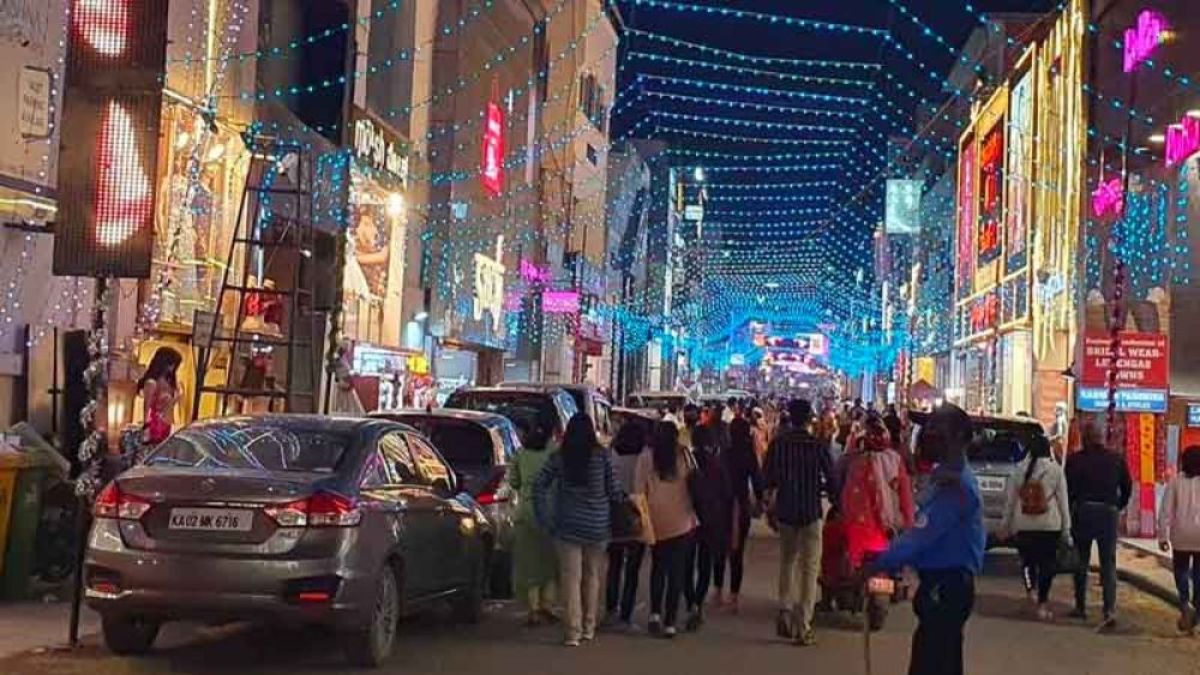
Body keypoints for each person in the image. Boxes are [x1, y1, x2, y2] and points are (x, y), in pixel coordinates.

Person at [873, 403, 985, 675]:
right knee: (941, 659)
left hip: (947, 586)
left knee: (932, 661)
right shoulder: (944, 478)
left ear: (957, 437)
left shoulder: (955, 487)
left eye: (937, 428)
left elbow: (921, 536)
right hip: (943, 584)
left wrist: (880, 562)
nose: (928, 434)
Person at [533, 414, 619, 647]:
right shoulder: (602, 457)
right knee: (592, 576)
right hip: (598, 525)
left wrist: (545, 517)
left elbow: (539, 485)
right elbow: (613, 489)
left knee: (571, 579)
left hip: (567, 525)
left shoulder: (560, 457)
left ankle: (573, 631)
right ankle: (589, 627)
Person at [763, 399, 836, 646]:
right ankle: (803, 625)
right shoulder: (817, 446)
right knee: (809, 568)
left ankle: (784, 609)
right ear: (809, 420)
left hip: (785, 511)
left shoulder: (778, 445)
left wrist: (769, 502)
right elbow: (832, 478)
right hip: (810, 512)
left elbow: (767, 478)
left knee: (787, 561)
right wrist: (837, 502)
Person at [1066, 413, 1132, 628]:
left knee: (1081, 561)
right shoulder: (1116, 459)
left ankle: (1080, 606)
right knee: (1108, 564)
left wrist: (1073, 510)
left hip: (1083, 511)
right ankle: (1109, 609)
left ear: (1085, 438)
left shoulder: (1075, 460)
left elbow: (1069, 490)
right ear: (1102, 438)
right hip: (1108, 512)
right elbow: (1127, 487)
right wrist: (1117, 506)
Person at [635, 422, 698, 639]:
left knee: (658, 568)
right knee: (676, 572)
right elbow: (696, 483)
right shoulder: (684, 456)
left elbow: (638, 491)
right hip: (681, 520)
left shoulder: (646, 457)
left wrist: (644, 522)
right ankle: (670, 621)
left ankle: (654, 614)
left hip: (656, 520)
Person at [1000, 435, 1071, 621]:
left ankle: (1031, 590)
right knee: (1046, 566)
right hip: (1049, 526)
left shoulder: (1019, 471)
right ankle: (1042, 604)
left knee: (1027, 561)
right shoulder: (1055, 471)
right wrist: (1066, 530)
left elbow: (1010, 502)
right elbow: (1063, 503)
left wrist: (1005, 526)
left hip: (1023, 525)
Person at [838, 413, 915, 571]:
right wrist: (909, 525)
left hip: (860, 533)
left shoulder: (852, 460)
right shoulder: (895, 459)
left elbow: (841, 490)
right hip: (889, 533)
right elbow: (906, 497)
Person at [509, 416, 560, 626]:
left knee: (529, 563)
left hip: (526, 511)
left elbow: (514, 482)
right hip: (550, 511)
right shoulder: (554, 453)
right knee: (549, 561)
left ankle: (533, 609)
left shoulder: (520, 454)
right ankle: (548, 605)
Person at [683, 425, 732, 630]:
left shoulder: (686, 462)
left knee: (686, 564)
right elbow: (727, 494)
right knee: (704, 565)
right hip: (711, 521)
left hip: (687, 519)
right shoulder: (717, 464)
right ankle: (698, 603)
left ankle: (690, 601)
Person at [717, 415, 765, 613]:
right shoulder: (749, 454)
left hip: (722, 505)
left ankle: (717, 590)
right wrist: (761, 500)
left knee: (720, 549)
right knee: (738, 552)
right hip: (741, 505)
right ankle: (734, 596)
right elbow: (757, 479)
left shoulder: (724, 453)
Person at [605, 419, 648, 630]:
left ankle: (610, 609)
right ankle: (626, 616)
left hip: (613, 515)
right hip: (637, 515)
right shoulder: (643, 457)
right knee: (632, 569)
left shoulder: (611, 454)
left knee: (614, 566)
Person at [1158, 445, 1200, 633]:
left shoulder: (1175, 482)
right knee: (1199, 574)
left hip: (1181, 534)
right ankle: (1196, 608)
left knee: (1181, 570)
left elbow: (1165, 510)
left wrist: (1162, 536)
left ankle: (1185, 602)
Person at [138, 347, 183, 447]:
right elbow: (147, 407)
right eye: (172, 364)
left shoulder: (168, 382)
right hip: (157, 426)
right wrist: (146, 426)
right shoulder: (152, 383)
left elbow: (170, 405)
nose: (173, 368)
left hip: (167, 424)